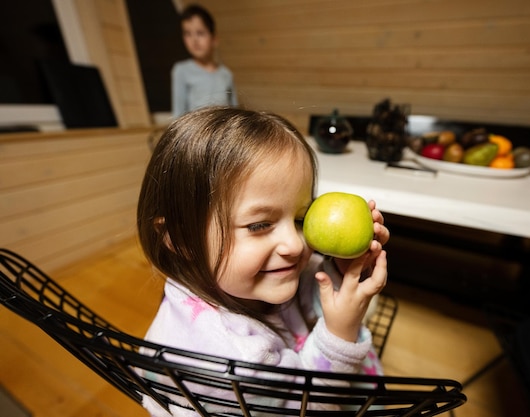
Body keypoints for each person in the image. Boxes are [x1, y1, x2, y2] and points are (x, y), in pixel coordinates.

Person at [136, 107, 389, 415]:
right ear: (183, 239)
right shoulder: (231, 360)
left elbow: (306, 289)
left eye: (300, 218)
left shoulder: (233, 275)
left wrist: (342, 268)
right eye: (259, 226)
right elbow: (308, 408)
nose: (295, 244)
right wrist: (339, 336)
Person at [171, 4, 238, 118]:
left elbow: (235, 112)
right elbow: (178, 115)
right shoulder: (181, 71)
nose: (194, 40)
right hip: (196, 133)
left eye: (200, 33)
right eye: (188, 34)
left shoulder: (226, 74)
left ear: (214, 39)